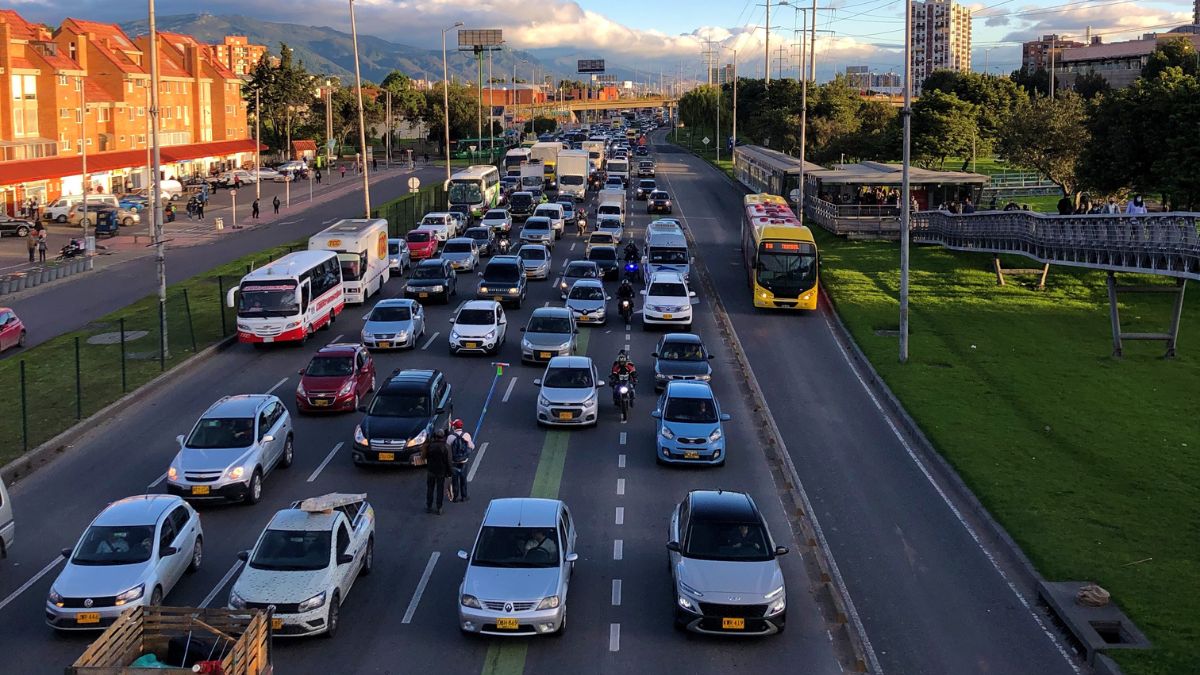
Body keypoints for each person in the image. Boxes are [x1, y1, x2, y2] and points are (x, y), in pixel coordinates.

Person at [421, 428, 454, 515]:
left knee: (430, 489)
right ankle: (439, 507)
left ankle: (429, 506)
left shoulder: (430, 446)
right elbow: (449, 461)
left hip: (431, 470)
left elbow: (424, 456)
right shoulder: (446, 447)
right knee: (440, 489)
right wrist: (450, 472)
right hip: (441, 471)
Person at [448, 419, 475, 503]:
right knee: (463, 480)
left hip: (454, 462)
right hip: (464, 461)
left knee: (455, 480)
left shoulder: (450, 437)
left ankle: (455, 497)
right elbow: (472, 446)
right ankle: (464, 496)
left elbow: (447, 448)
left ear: (454, 427)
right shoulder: (466, 435)